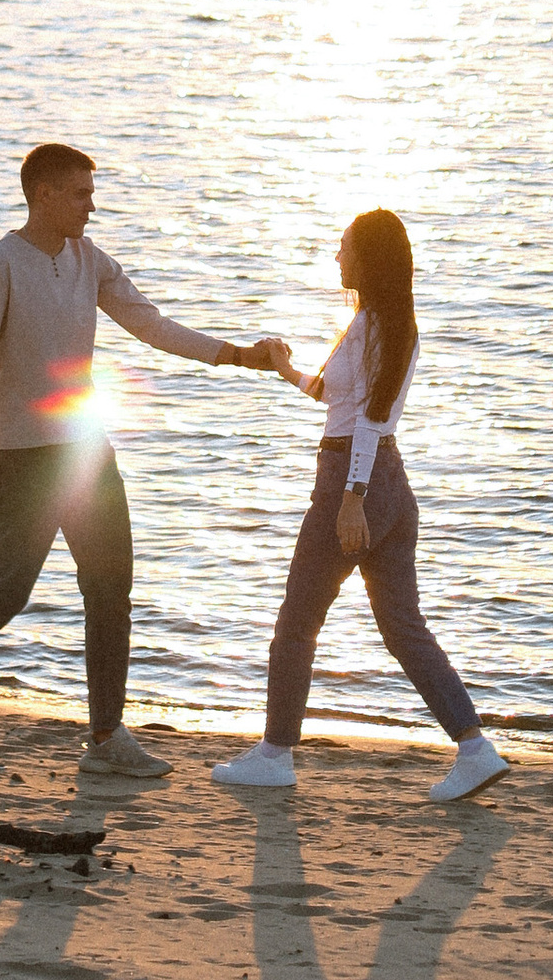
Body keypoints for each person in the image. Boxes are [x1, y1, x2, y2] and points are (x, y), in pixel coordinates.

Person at [0, 141, 287, 781]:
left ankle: (104, 736)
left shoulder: (89, 260)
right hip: (19, 454)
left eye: (91, 192)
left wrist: (237, 355)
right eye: (80, 193)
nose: (91, 205)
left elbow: (151, 324)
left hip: (86, 449)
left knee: (109, 588)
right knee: (9, 589)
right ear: (43, 194)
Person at [212, 208, 507, 802]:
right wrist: (284, 368)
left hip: (357, 481)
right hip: (389, 486)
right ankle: (475, 749)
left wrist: (351, 498)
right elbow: (335, 396)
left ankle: (274, 754)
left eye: (344, 247)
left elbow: (371, 419)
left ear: (368, 259)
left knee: (297, 621)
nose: (336, 256)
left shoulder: (381, 326)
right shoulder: (377, 321)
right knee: (403, 628)